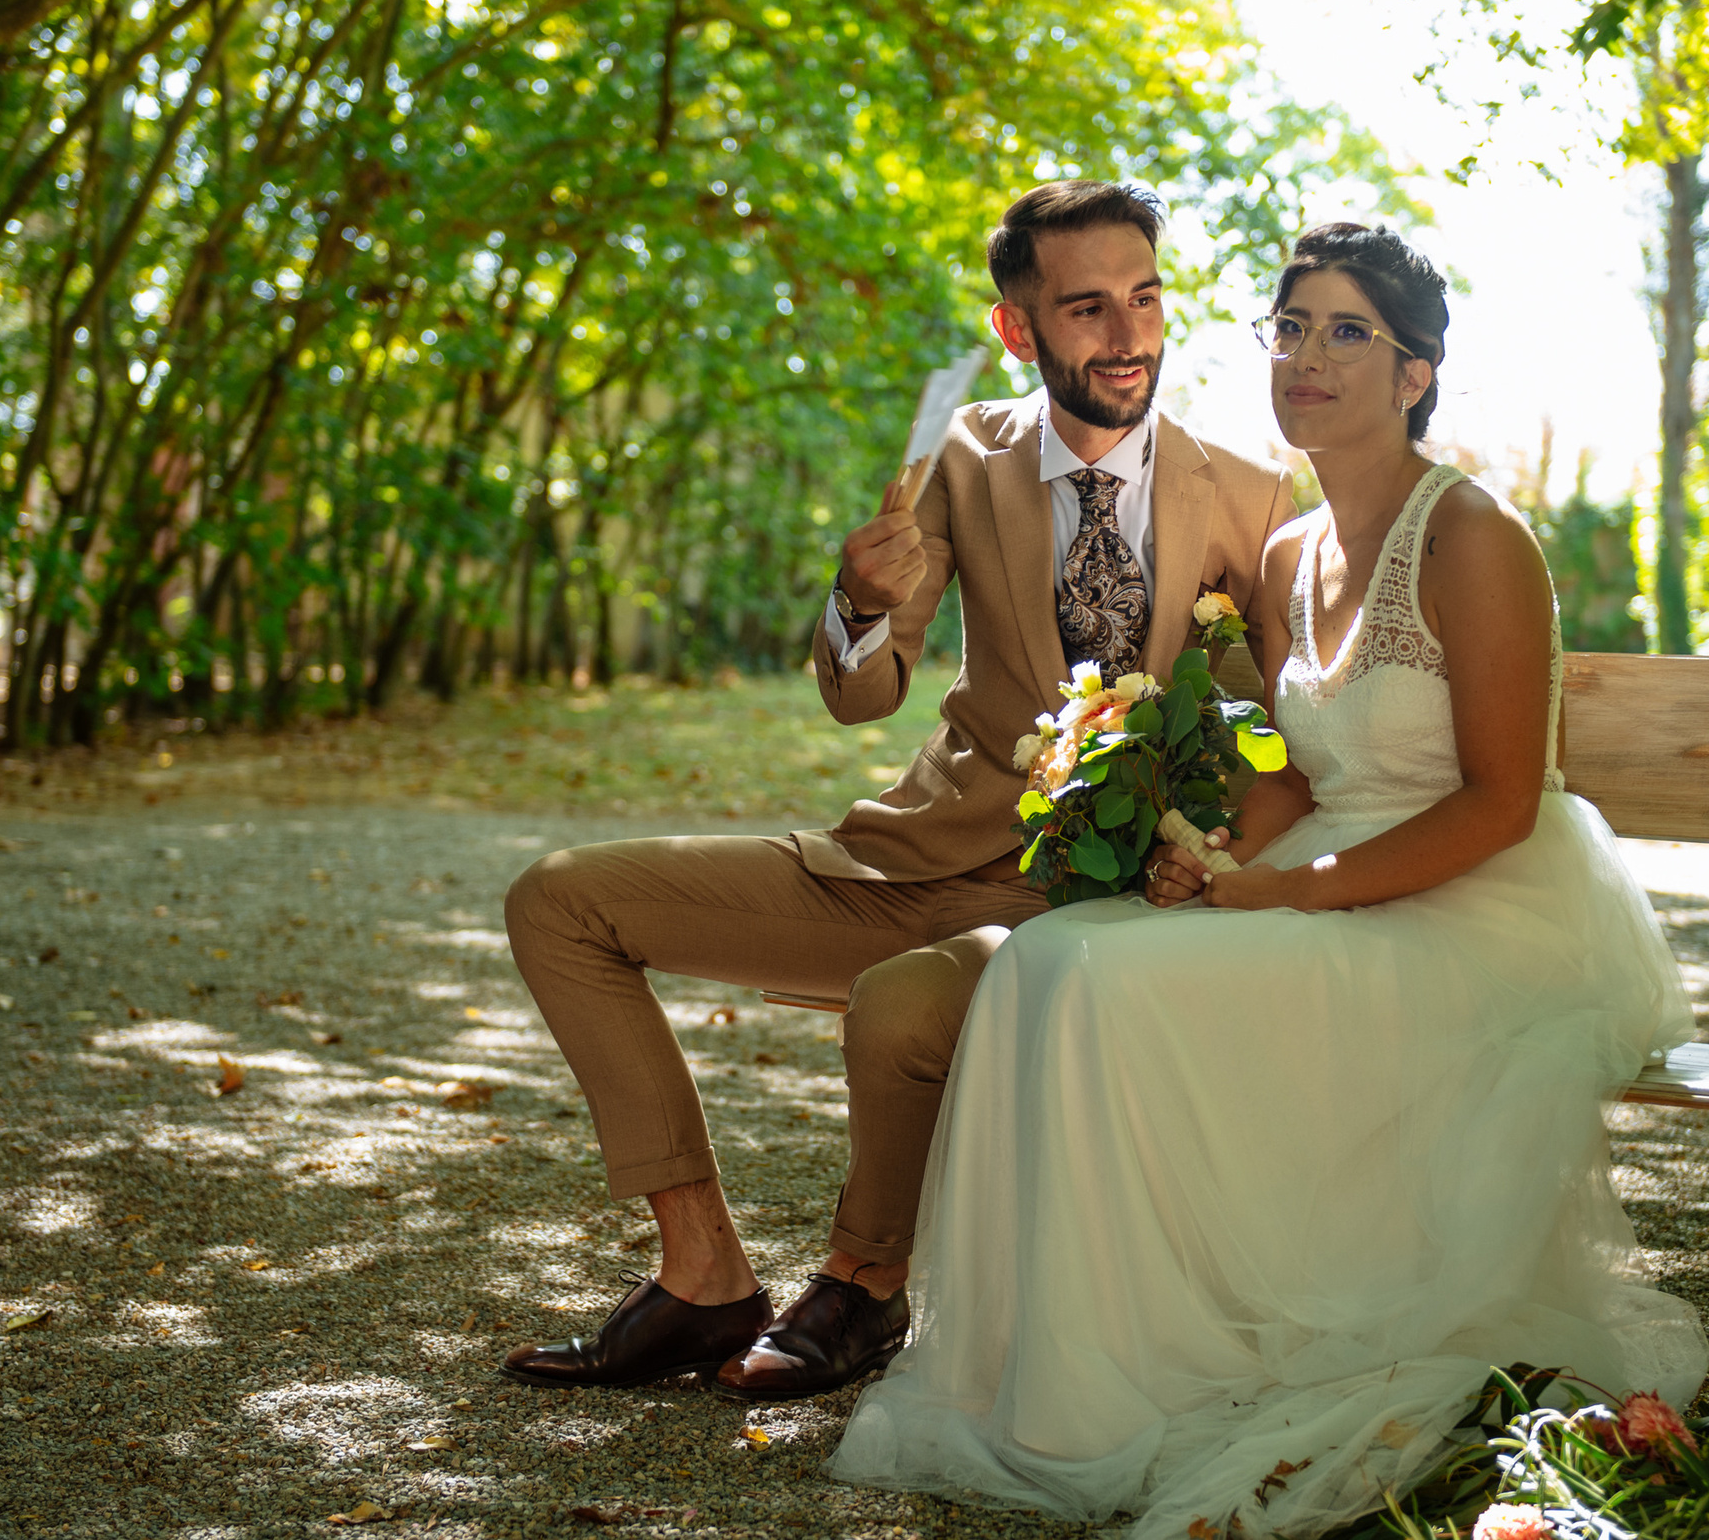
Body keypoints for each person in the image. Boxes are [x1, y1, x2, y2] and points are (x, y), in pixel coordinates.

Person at [830, 224, 1707, 1536]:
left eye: (1348, 332)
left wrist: (1291, 894)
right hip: (1329, 864)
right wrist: (1209, 854)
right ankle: (1076, 1372)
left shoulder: (1470, 533)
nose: (1307, 356)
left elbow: (1501, 798)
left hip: (1476, 900)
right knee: (1054, 959)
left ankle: (1172, 1357)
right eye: (1290, 328)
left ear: (1415, 372)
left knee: (1102, 984)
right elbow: (1299, 772)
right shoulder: (1291, 553)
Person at [498, 181, 1297, 1399]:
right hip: (913, 857)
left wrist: (1209, 856)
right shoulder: (964, 456)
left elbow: (1277, 726)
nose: (1127, 334)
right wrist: (858, 602)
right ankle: (703, 1272)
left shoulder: (1248, 491)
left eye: (1144, 299)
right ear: (1016, 328)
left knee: (896, 1005)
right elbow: (863, 692)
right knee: (560, 901)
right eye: (1085, 308)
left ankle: (863, 1284)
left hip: (1091, 902)